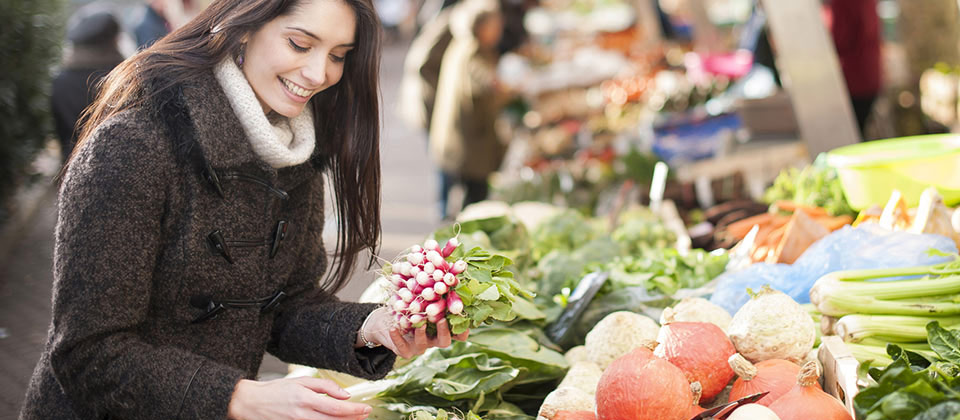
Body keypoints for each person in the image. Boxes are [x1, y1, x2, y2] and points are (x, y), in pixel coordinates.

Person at [20, 0, 467, 419]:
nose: (319, 73)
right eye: (300, 44)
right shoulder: (132, 145)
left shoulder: (292, 149)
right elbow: (87, 353)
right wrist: (238, 397)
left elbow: (286, 306)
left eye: (338, 54)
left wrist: (373, 328)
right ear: (243, 27)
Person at [429, 0, 509, 219]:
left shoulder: (463, 45)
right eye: (495, 25)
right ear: (481, 27)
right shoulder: (473, 53)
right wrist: (507, 90)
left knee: (462, 192)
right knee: (474, 201)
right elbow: (485, 86)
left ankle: (447, 214)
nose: (499, 29)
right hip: (470, 141)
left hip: (461, 137)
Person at [51, 9, 125, 164]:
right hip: (119, 164)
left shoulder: (61, 80)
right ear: (114, 40)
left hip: (74, 165)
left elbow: (62, 132)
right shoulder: (119, 77)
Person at [826, 0, 882, 139]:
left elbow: (839, 38)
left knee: (850, 136)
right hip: (870, 74)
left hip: (854, 79)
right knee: (860, 131)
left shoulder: (843, 3)